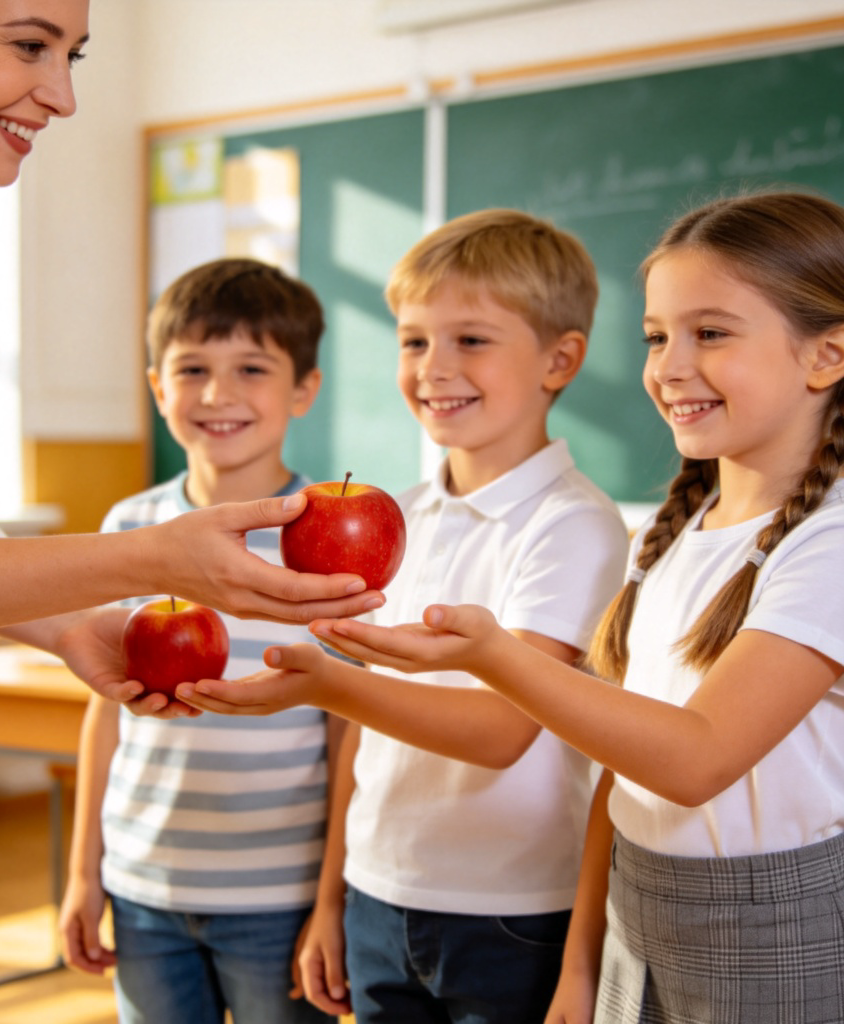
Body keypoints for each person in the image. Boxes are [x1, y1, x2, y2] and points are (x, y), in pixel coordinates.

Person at [0, 4, 381, 1021]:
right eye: (29, 46)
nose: (66, 96)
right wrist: (140, 564)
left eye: (72, 57)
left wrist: (67, 624)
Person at [292, 191, 844, 1024]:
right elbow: (614, 777)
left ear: (828, 353)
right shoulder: (681, 533)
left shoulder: (829, 543)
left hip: (771, 932)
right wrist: (585, 965)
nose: (668, 365)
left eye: (712, 332)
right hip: (637, 915)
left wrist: (485, 657)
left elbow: (694, 762)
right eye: (658, 336)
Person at [183, 209, 629, 1023]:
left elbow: (501, 730)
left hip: (509, 911)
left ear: (561, 360)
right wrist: (331, 899)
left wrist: (325, 687)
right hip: (376, 891)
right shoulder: (404, 515)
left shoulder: (575, 525)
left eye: (472, 340)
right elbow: (364, 735)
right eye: (414, 340)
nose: (434, 367)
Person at [59, 257, 339, 1024]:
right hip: (144, 885)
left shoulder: (331, 544)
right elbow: (105, 711)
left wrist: (331, 899)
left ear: (303, 389)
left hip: (279, 894)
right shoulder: (126, 529)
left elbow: (351, 730)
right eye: (191, 369)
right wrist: (85, 873)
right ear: (158, 388)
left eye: (252, 367)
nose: (218, 394)